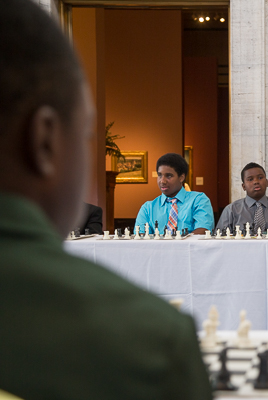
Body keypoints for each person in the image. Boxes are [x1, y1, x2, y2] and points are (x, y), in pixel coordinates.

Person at [0, 1, 212, 398]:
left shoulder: (194, 200)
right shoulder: (151, 342)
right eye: (84, 134)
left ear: (181, 178)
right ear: (45, 141)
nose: (162, 181)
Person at [135, 153, 214, 235]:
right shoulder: (148, 208)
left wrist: (176, 246)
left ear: (181, 178)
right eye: (159, 175)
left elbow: (203, 230)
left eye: (168, 176)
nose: (162, 181)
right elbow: (140, 238)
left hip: (189, 248)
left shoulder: (199, 200)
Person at [216, 162, 268, 233]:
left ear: (267, 182)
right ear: (243, 186)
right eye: (250, 179)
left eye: (260, 178)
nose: (256, 182)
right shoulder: (231, 210)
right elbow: (220, 240)